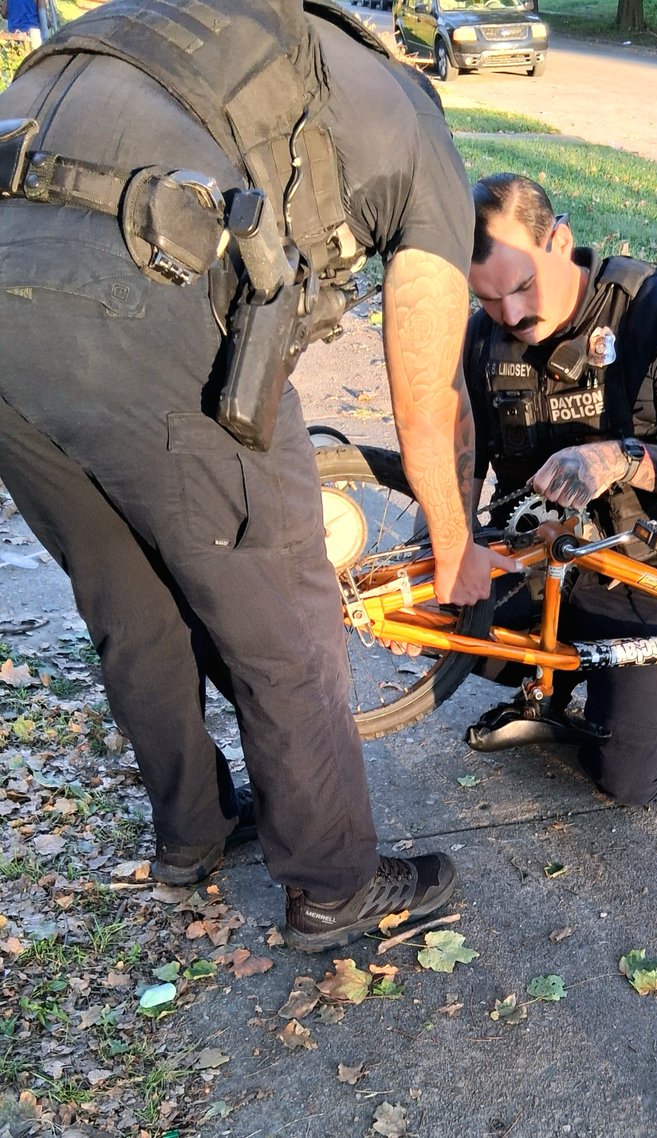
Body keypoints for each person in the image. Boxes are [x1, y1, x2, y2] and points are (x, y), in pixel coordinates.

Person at [0, 0, 509, 953]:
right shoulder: (418, 128)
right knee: (285, 613)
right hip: (138, 282)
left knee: (127, 596)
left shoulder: (222, 36)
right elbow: (425, 381)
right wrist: (454, 543)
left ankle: (193, 831)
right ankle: (335, 885)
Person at [462, 173, 657, 805]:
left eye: (522, 286)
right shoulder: (483, 335)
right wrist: (441, 547)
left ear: (561, 242)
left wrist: (620, 459)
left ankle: (618, 690)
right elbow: (464, 462)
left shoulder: (652, 311)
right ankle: (553, 679)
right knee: (440, 614)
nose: (510, 315)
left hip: (649, 576)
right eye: (487, 299)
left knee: (629, 778)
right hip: (543, 561)